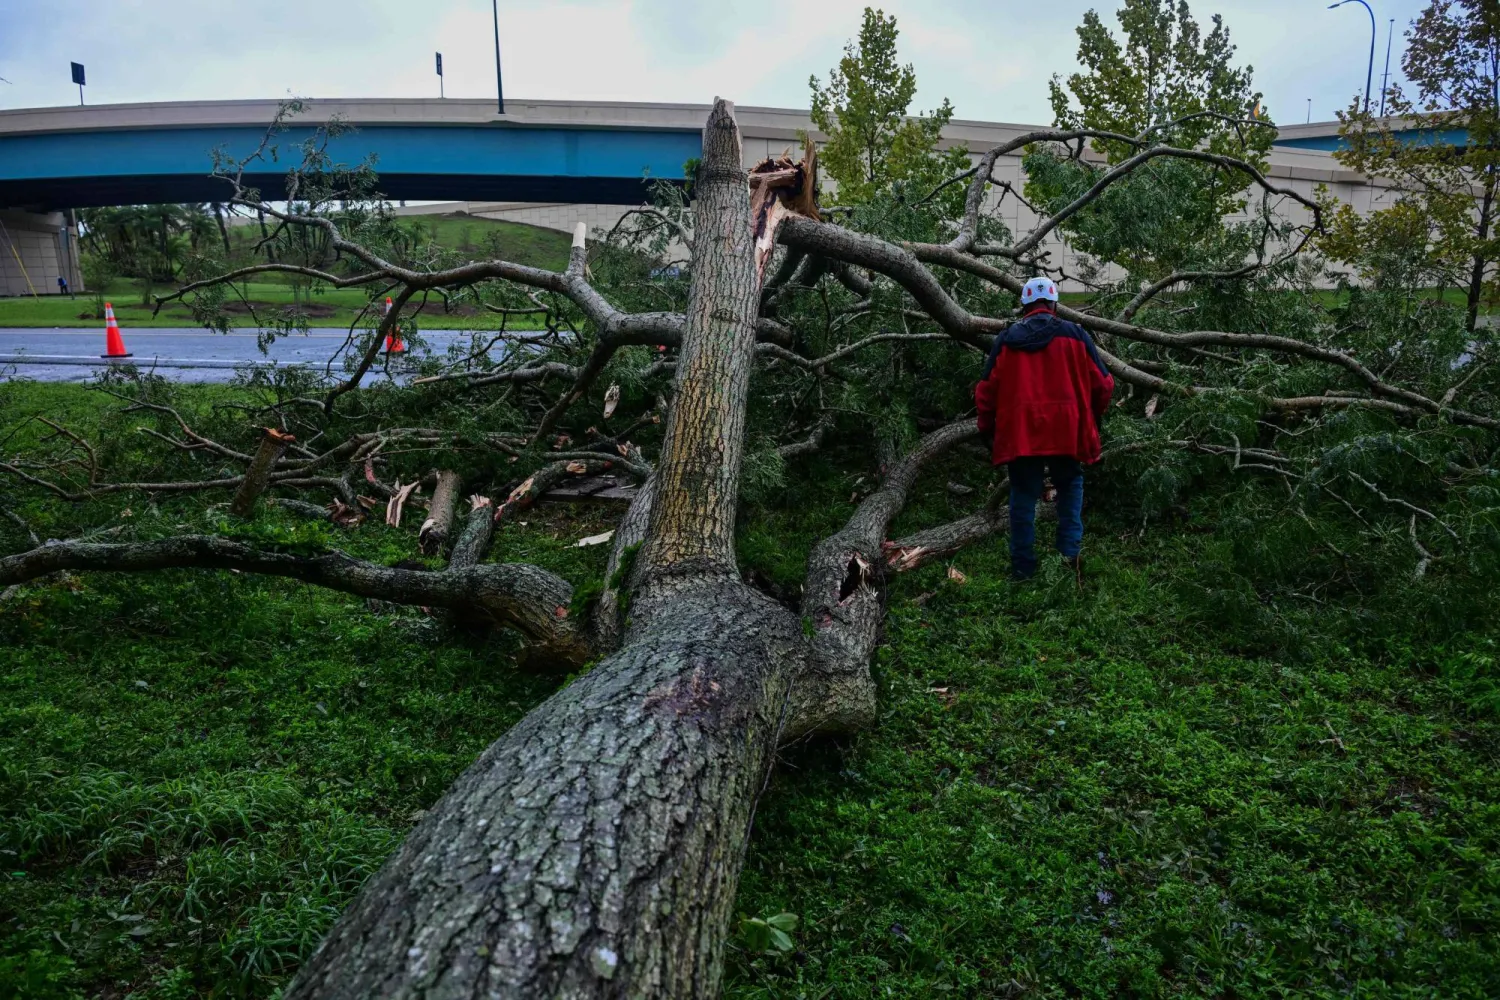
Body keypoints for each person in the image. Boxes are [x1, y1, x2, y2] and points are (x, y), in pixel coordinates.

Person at [974, 276, 1114, 581]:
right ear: (1053, 304)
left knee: (1023, 495)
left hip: (1022, 434)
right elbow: (1104, 385)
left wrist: (986, 428)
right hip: (1067, 429)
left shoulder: (1007, 338)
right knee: (1070, 487)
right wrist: (1090, 416)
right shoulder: (1077, 335)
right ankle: (1069, 559)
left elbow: (986, 390)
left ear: (1025, 305)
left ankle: (1023, 569)